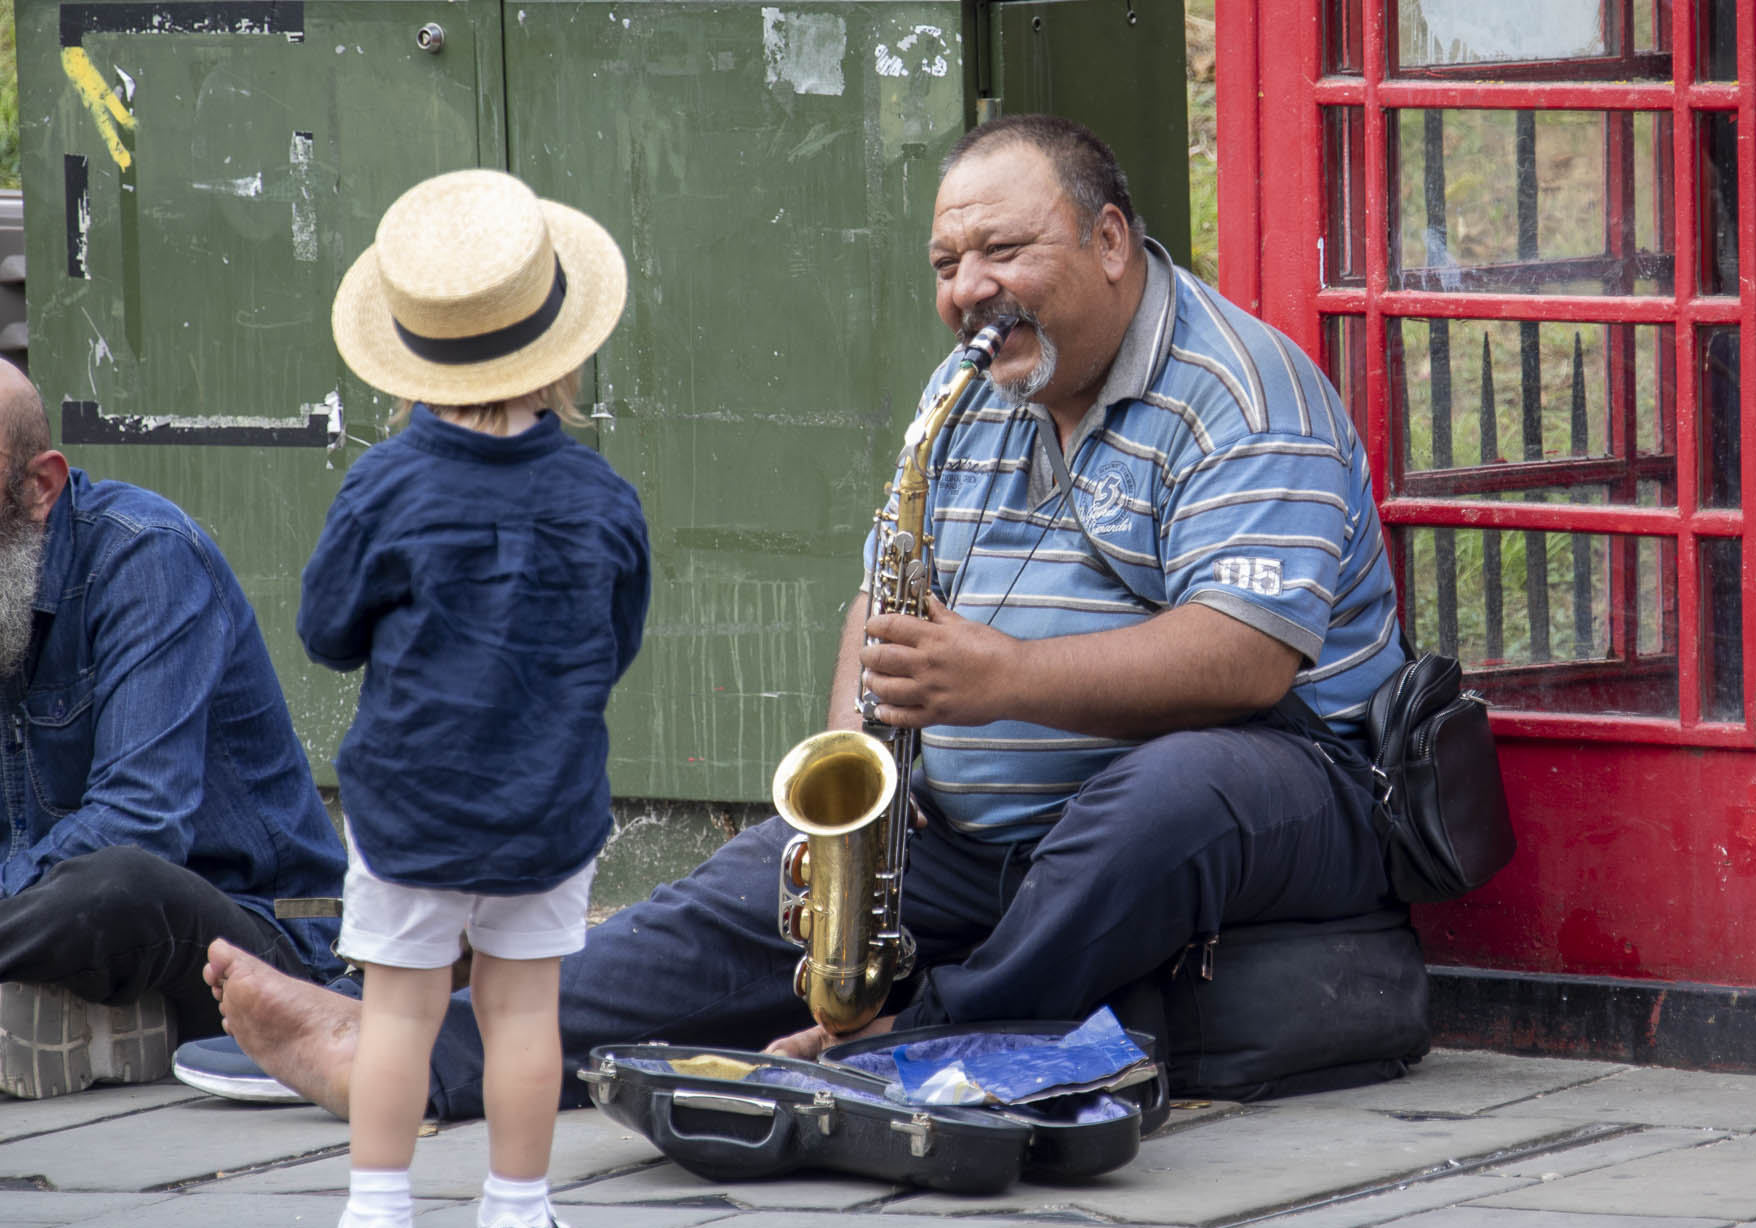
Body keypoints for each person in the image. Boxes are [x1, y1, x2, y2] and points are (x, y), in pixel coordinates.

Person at [198, 114, 1403, 1123]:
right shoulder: (968, 389)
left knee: (1167, 795)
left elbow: (1246, 660)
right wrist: (855, 804)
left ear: (1105, 241)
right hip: (990, 826)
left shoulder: (1244, 391)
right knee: (741, 891)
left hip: (1279, 787)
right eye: (943, 264)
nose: (966, 291)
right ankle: (423, 1061)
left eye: (999, 249)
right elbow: (882, 595)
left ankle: (908, 1046)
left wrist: (1001, 680)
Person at [297, 170, 648, 1228]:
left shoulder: (382, 488)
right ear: (560, 346)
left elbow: (326, 633)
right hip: (548, 801)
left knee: (397, 1010)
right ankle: (519, 1218)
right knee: (522, 1008)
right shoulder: (602, 498)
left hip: (409, 800)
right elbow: (617, 637)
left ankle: (374, 1225)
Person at [0, 360, 346, 1101]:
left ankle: (119, 1007)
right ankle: (109, 1014)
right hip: (51, 925)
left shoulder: (145, 554)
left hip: (264, 933)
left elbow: (136, 825)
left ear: (41, 487)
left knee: (117, 881)